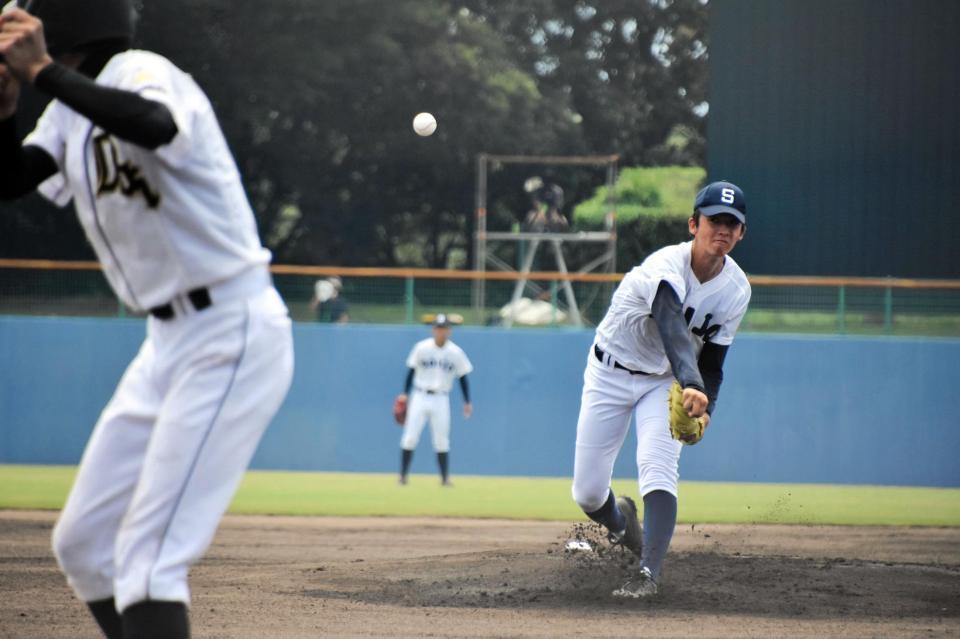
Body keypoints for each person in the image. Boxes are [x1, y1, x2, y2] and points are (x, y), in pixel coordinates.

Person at [0, 2, 294, 637]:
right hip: (165, 344)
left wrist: (43, 71)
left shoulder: (140, 70)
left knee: (148, 560)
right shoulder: (65, 114)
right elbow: (11, 178)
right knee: (82, 546)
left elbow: (154, 125)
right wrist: (2, 113)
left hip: (229, 325)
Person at [571, 180, 751, 598]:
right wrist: (691, 383)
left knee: (657, 465)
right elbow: (670, 320)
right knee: (587, 492)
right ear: (694, 223)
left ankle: (647, 574)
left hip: (661, 381)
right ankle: (622, 524)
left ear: (741, 233)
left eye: (732, 223)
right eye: (714, 220)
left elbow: (714, 363)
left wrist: (707, 408)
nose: (722, 229)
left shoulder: (736, 290)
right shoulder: (665, 264)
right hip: (609, 371)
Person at [398, 313, 473, 486]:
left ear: (449, 331)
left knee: (441, 440)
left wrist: (467, 401)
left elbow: (463, 377)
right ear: (433, 330)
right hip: (420, 395)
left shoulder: (456, 352)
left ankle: (445, 479)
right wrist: (404, 393)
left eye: (444, 328)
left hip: (441, 398)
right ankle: (402, 477)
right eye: (438, 328)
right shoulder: (421, 348)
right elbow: (410, 371)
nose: (441, 331)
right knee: (410, 437)